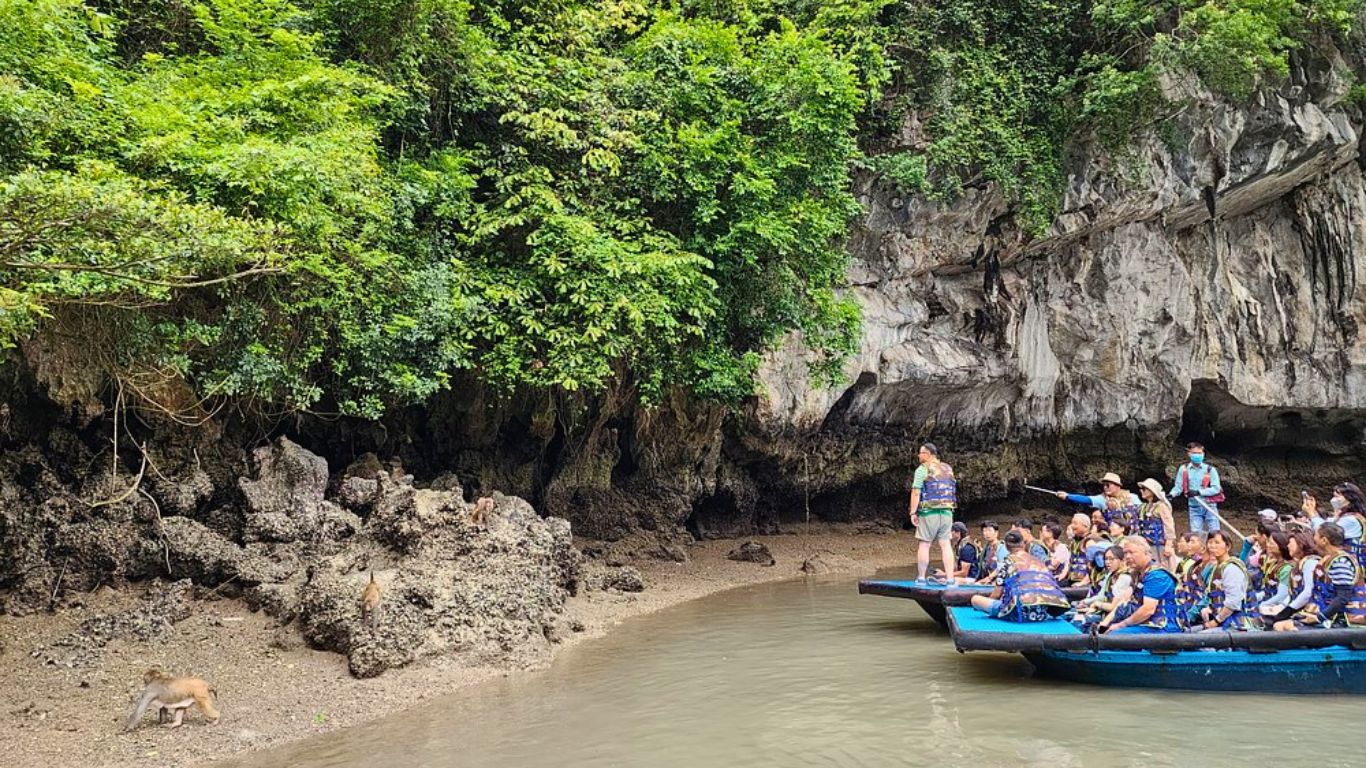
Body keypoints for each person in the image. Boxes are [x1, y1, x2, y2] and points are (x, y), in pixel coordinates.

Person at [969, 531, 1070, 622]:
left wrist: (991, 602)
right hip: (1041, 614)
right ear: (1023, 544)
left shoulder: (1008, 561)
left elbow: (996, 594)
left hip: (1017, 613)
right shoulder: (1037, 561)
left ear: (1007, 547)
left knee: (975, 599)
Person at [1276, 522, 1359, 630]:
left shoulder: (1340, 562)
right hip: (1326, 614)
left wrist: (1320, 617)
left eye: (1316, 535)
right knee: (1279, 625)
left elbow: (1343, 597)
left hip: (1341, 619)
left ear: (1324, 540)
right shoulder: (1328, 559)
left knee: (1284, 627)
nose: (1313, 538)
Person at [1098, 536, 1183, 634]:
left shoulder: (1157, 575)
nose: (1128, 557)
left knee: (1115, 636)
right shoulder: (1137, 574)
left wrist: (1121, 625)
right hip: (1144, 624)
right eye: (1125, 553)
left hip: (1163, 628)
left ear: (1146, 553)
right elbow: (1123, 601)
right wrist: (1105, 623)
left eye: (1131, 552)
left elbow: (1148, 610)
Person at [908, 443, 956, 583]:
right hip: (947, 512)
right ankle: (950, 579)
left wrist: (913, 512)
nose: (918, 455)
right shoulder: (947, 468)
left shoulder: (922, 469)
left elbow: (916, 492)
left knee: (925, 544)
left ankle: (922, 577)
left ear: (927, 454)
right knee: (945, 544)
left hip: (929, 512)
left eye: (920, 453)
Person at [1194, 531, 1252, 631]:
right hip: (1221, 619)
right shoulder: (1217, 566)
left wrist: (1215, 621)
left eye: (1217, 543)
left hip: (1235, 623)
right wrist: (1209, 609)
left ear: (1227, 546)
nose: (1212, 546)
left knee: (1200, 639)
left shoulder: (1232, 568)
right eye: (1210, 542)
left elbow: (1233, 603)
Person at [1265, 529, 1321, 629]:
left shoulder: (1310, 562)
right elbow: (1292, 594)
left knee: (1279, 625)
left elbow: (1308, 591)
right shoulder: (1298, 565)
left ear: (1300, 544)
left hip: (1312, 611)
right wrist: (1282, 607)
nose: (1288, 546)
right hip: (1298, 609)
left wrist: (1288, 610)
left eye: (1291, 543)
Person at [1071, 545, 1133, 630]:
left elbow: (1112, 607)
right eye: (1106, 559)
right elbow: (1101, 595)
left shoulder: (1124, 578)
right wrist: (1085, 602)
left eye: (1111, 559)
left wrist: (1096, 605)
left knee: (1078, 621)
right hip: (1101, 611)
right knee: (1071, 613)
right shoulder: (1110, 575)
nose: (1107, 562)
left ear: (1122, 560)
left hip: (1112, 617)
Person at [1169, 441, 1223, 533]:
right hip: (1194, 506)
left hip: (1209, 505)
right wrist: (1171, 495)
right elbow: (1178, 487)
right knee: (1196, 534)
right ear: (1189, 454)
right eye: (1194, 453)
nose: (1197, 455)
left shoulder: (1210, 469)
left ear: (1203, 454)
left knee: (1215, 533)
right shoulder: (1184, 469)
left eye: (1200, 453)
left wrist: (1199, 492)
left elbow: (1216, 488)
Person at [1304, 483, 1366, 564]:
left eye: (1337, 496)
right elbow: (1324, 524)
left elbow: (1325, 531)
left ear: (1349, 499)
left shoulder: (1352, 520)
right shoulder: (1343, 517)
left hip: (1348, 563)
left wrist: (1311, 513)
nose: (1333, 500)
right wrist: (1313, 510)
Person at [1055, 473, 1140, 528]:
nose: (1105, 487)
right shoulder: (1102, 499)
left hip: (1134, 532)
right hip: (1113, 533)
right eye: (1104, 485)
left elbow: (1142, 512)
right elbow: (1086, 499)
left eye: (1108, 485)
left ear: (1118, 486)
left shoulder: (1132, 497)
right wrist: (1068, 496)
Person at [1136, 478, 1176, 568]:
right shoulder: (1145, 507)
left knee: (1165, 567)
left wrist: (1168, 545)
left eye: (1144, 489)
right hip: (1148, 544)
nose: (1141, 491)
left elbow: (1169, 525)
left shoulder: (1161, 506)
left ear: (1152, 491)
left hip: (1160, 545)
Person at [1254, 530, 1295, 616]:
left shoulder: (1286, 568)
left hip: (1278, 608)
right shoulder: (1273, 564)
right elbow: (1268, 589)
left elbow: (1282, 595)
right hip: (1268, 601)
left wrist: (1262, 605)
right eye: (1268, 542)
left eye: (1271, 543)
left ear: (1280, 546)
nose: (1268, 545)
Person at [1173, 532, 1209, 628]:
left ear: (1203, 547)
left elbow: (1199, 594)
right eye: (1188, 542)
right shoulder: (1193, 565)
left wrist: (1190, 613)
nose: (1188, 545)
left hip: (1197, 611)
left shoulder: (1200, 565)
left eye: (1192, 542)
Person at [1065, 513, 1095, 586]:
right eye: (1072, 523)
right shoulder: (1074, 542)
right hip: (1071, 578)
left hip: (1084, 582)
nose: (1072, 526)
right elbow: (1070, 561)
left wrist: (1083, 582)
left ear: (1085, 526)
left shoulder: (1089, 542)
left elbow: (1093, 566)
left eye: (1075, 523)